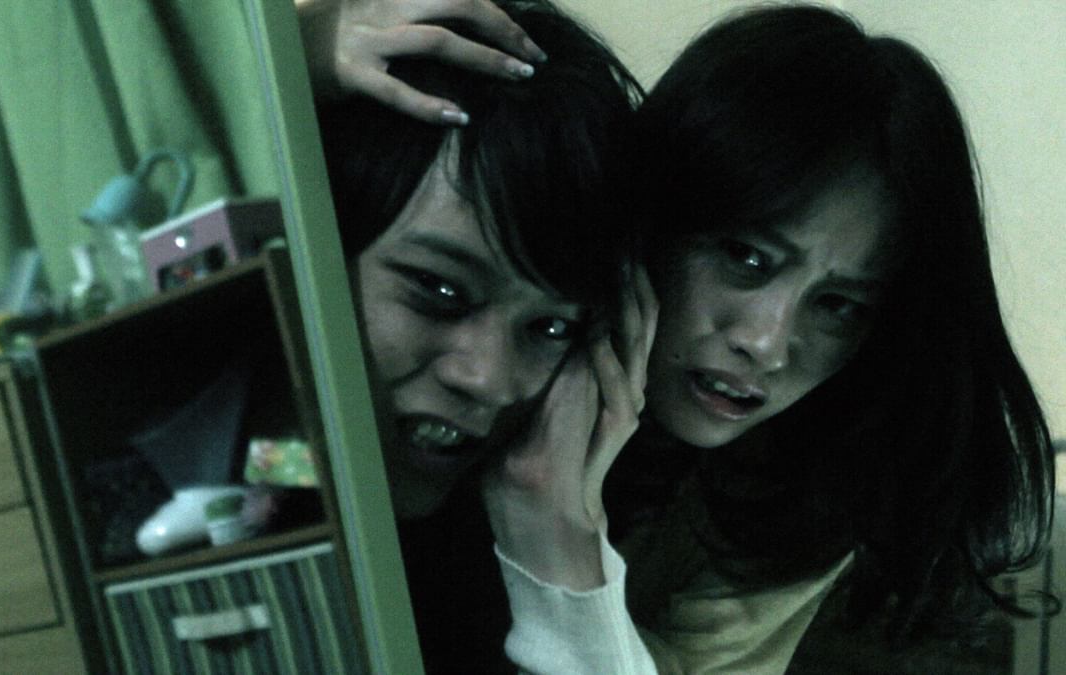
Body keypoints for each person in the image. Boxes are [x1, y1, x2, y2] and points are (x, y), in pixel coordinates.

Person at [309, 2, 1057, 673]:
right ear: (649, 223)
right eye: (746, 258)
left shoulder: (805, 510)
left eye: (838, 305)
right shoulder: (477, 354)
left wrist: (557, 547)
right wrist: (296, 55)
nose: (768, 344)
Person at [311, 1, 659, 671]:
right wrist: (288, 61)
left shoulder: (481, 571)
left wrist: (555, 547)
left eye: (551, 327)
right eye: (440, 291)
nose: (492, 381)